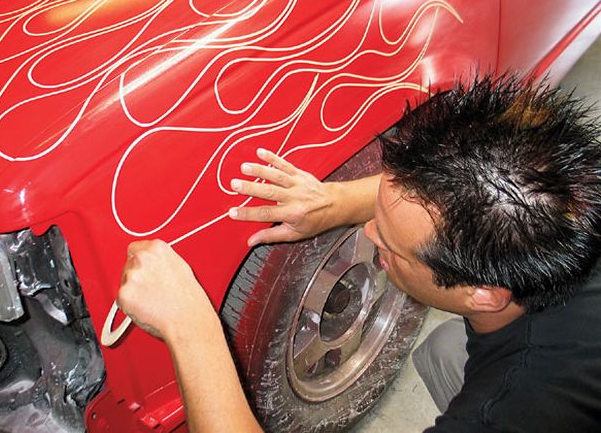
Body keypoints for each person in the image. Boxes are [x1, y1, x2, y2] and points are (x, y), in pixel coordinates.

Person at [116, 75, 601, 432]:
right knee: (446, 349)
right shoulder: (569, 198)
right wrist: (333, 203)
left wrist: (191, 328)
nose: (368, 235)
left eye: (389, 243)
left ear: (484, 293)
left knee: (443, 352)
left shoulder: (520, 408)